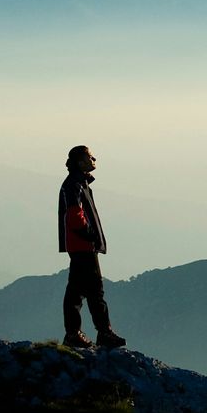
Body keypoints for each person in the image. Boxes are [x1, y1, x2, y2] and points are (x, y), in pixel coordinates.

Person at [59, 145, 126, 349]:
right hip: (83, 246)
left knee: (76, 291)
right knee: (95, 290)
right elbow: (74, 215)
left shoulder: (77, 183)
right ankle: (104, 333)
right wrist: (90, 235)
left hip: (79, 245)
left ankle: (74, 334)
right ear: (80, 161)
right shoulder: (75, 184)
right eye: (90, 157)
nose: (94, 159)